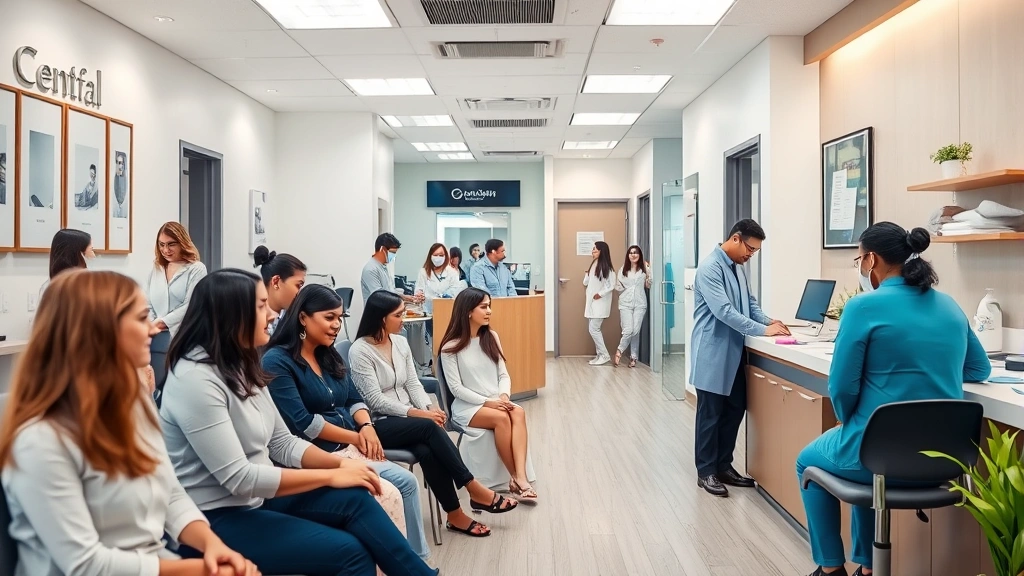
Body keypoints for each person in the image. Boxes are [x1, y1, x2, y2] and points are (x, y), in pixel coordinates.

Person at [158, 268, 437, 576]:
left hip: (256, 500)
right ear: (233, 314)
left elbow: (282, 442)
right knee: (351, 552)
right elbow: (240, 478)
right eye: (261, 306)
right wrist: (328, 475)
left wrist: (342, 467)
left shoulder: (241, 363)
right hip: (216, 518)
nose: (272, 314)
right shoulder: (195, 379)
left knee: (356, 499)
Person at [0, 270, 258, 576]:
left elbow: (170, 493)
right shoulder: (41, 441)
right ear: (98, 331)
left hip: (157, 562)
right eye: (141, 318)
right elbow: (85, 565)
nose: (152, 329)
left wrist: (213, 546)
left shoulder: (134, 408)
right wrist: (199, 570)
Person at [796, 223, 991, 576]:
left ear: (871, 260)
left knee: (809, 462)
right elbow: (979, 369)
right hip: (946, 461)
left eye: (859, 258)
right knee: (870, 460)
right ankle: (868, 569)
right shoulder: (949, 305)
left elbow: (841, 387)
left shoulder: (862, 307)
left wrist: (848, 422)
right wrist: (928, 370)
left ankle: (830, 569)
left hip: (879, 455)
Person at [262, 284, 431, 560]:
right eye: (329, 318)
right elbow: (304, 423)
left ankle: (416, 560)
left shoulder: (327, 353)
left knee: (408, 482)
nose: (336, 325)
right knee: (392, 488)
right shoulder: (278, 361)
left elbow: (354, 398)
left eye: (340, 318)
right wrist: (357, 437)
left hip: (351, 445)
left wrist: (365, 427)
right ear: (303, 317)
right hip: (320, 453)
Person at [349, 289, 519, 538]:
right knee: (429, 428)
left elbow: (413, 384)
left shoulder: (400, 342)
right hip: (377, 425)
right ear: (382, 318)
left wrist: (429, 408)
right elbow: (374, 401)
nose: (404, 319)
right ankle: (473, 487)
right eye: (398, 315)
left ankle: (455, 516)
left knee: (428, 450)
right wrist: (418, 414)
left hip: (409, 420)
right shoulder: (360, 351)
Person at [690, 219, 790, 497]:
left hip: (734, 354)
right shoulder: (710, 268)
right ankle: (706, 471)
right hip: (712, 352)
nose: (750, 255)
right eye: (750, 249)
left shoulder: (736, 268)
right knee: (710, 414)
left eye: (755, 252)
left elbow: (749, 303)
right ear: (735, 239)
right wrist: (762, 330)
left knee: (734, 409)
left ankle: (724, 465)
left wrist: (771, 322)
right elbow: (724, 311)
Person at [439, 287, 538, 501]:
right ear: (467, 311)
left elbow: (504, 374)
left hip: (495, 399)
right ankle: (518, 478)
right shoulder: (450, 347)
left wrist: (503, 396)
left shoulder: (491, 336)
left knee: (518, 412)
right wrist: (489, 403)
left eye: (489, 306)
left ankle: (519, 476)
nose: (489, 311)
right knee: (503, 419)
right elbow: (456, 390)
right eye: (484, 307)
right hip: (467, 406)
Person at [146, 222, 207, 336]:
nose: (165, 250)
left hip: (187, 338)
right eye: (161, 244)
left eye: (171, 244)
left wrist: (161, 323)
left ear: (182, 243)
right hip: (157, 337)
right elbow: (147, 303)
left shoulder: (196, 269)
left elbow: (191, 305)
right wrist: (151, 324)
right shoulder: (156, 269)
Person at [253, 245, 307, 335]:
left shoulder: (295, 318)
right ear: (276, 282)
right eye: (298, 285)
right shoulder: (250, 320)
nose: (299, 293)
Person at [614, 244, 652, 368]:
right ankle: (623, 352)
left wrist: (649, 269)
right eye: (631, 253)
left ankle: (630, 355)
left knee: (635, 331)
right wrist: (624, 290)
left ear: (639, 255)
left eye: (636, 252)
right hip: (625, 303)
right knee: (628, 330)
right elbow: (617, 286)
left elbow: (648, 284)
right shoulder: (623, 270)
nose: (633, 254)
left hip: (640, 303)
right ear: (628, 255)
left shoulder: (644, 268)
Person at [360, 232, 424, 306]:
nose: (394, 256)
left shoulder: (383, 267)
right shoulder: (370, 269)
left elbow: (389, 291)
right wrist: (401, 299)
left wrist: (406, 298)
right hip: (376, 314)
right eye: (392, 252)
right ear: (382, 249)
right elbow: (379, 297)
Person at [583, 241, 616, 366]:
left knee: (594, 329)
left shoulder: (607, 268)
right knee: (593, 328)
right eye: (592, 250)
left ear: (602, 252)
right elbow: (586, 282)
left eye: (595, 250)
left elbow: (611, 285)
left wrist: (600, 294)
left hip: (600, 302)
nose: (592, 252)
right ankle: (600, 355)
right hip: (592, 303)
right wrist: (587, 273)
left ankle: (605, 355)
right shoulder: (593, 265)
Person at [415, 243, 465, 315]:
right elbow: (419, 290)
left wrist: (432, 297)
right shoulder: (423, 272)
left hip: (447, 311)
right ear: (430, 256)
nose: (438, 258)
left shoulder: (452, 273)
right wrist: (419, 296)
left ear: (446, 256)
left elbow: (453, 293)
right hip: (428, 311)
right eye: (435, 255)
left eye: (441, 255)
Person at [41, 228, 95, 296]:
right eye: (91, 250)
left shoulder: (48, 287)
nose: (94, 256)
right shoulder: (84, 287)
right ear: (77, 254)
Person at [113, 151, 128, 218]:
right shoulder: (114, 180)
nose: (119, 166)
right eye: (117, 163)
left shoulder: (126, 180)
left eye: (121, 163)